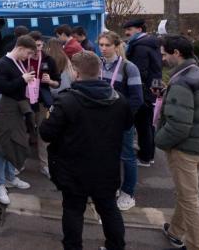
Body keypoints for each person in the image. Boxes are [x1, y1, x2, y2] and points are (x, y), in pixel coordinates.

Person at [39, 51, 133, 250]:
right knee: (108, 209)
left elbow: (46, 133)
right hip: (107, 167)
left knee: (73, 210)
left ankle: (73, 247)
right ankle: (116, 246)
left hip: (73, 168)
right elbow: (126, 126)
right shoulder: (119, 99)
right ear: (98, 72)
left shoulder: (66, 101)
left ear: (76, 72)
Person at [156, 35, 199, 250]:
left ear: (176, 53)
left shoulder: (182, 82)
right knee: (186, 194)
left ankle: (196, 246)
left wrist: (159, 140)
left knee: (189, 200)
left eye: (165, 54)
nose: (163, 58)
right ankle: (175, 231)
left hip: (184, 150)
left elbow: (178, 126)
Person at [97, 31, 144, 211]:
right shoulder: (98, 64)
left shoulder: (128, 67)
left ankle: (128, 193)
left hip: (121, 121)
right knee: (108, 155)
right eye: (101, 45)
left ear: (116, 46)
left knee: (127, 156)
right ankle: (113, 186)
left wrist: (120, 117)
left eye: (107, 45)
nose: (103, 48)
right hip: (102, 121)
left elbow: (136, 99)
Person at [0, 35, 36, 206]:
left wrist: (24, 81)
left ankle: (10, 177)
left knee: (14, 143)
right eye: (28, 53)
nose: (28, 57)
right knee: (1, 146)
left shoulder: (17, 63)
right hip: (6, 110)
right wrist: (22, 80)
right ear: (20, 47)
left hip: (17, 108)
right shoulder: (3, 63)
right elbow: (0, 87)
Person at [123, 18, 163, 167]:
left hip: (142, 91)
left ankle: (145, 157)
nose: (127, 33)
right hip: (152, 89)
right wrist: (156, 91)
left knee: (143, 125)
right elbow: (157, 69)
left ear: (139, 29)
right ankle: (149, 154)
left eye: (130, 29)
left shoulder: (139, 47)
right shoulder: (152, 44)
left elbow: (139, 72)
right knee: (148, 125)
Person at [28, 31, 61, 179]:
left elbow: (57, 83)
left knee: (43, 133)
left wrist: (50, 81)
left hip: (42, 101)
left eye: (40, 45)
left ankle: (44, 165)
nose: (37, 49)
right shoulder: (23, 59)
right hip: (26, 100)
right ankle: (18, 164)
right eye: (34, 46)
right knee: (24, 132)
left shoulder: (49, 60)